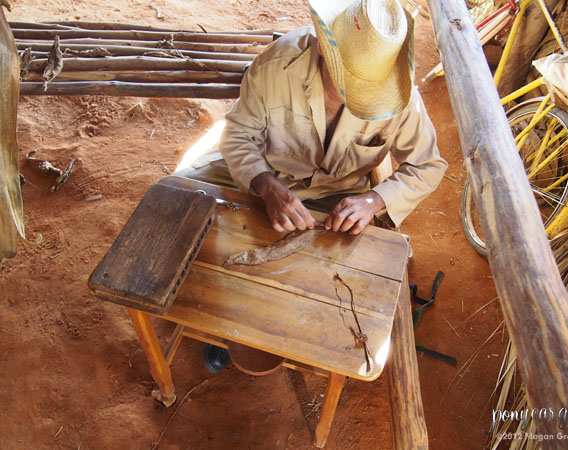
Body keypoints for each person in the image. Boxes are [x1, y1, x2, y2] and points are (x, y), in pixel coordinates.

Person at [180, 0, 447, 373]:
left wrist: (373, 199)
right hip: (268, 172)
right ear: (324, 48)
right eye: (352, 83)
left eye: (370, 89)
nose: (362, 98)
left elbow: (429, 166)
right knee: (185, 199)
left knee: (332, 272)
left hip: (335, 194)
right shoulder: (276, 66)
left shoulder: (399, 99)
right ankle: (221, 319)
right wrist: (265, 184)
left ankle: (288, 330)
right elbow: (238, 133)